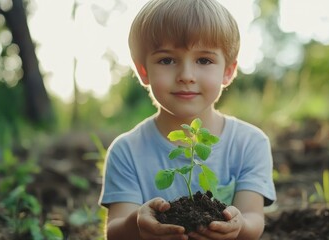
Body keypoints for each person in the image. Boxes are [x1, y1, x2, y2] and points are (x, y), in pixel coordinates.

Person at [98, 0, 276, 239]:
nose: (186, 76)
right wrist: (138, 223)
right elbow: (115, 231)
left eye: (204, 60)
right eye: (167, 60)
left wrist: (238, 226)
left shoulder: (251, 144)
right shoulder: (125, 151)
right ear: (143, 72)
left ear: (228, 71)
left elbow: (253, 219)